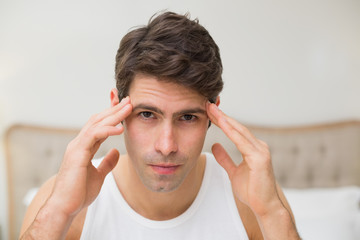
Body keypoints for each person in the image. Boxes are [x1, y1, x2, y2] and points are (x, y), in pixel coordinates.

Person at [20, 11, 300, 239]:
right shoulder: (66, 203)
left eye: (187, 117)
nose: (167, 146)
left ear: (213, 114)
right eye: (147, 114)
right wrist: (58, 212)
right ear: (117, 107)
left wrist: (271, 213)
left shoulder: (252, 202)